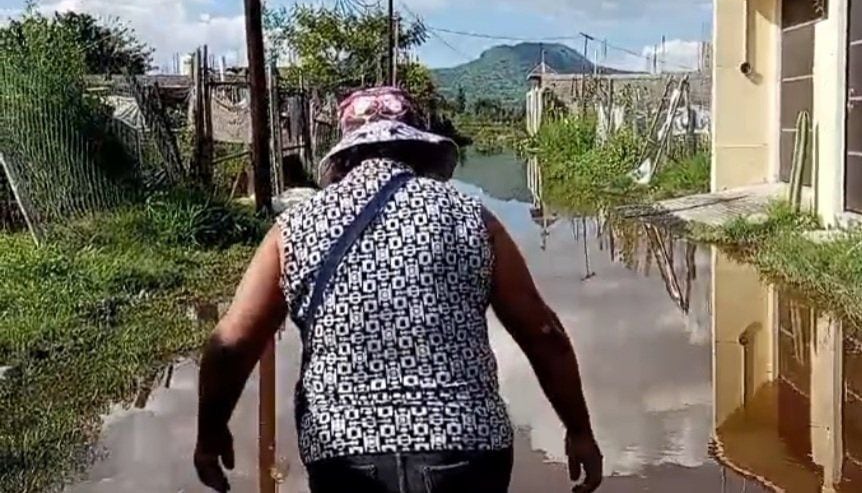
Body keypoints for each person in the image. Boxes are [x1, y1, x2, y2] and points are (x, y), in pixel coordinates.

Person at [194, 86, 602, 493]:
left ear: (345, 157)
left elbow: (233, 342)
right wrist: (578, 430)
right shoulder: (470, 217)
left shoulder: (295, 227)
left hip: (345, 455)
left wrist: (211, 431)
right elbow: (542, 331)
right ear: (419, 150)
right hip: (464, 450)